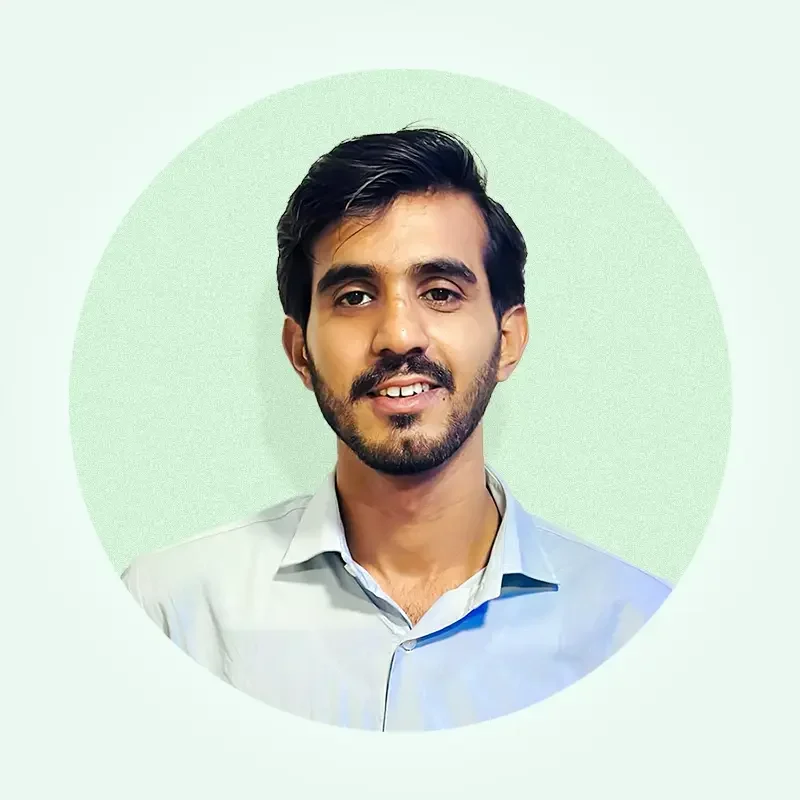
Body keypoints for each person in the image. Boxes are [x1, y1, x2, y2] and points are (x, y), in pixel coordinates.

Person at [122, 127, 671, 732]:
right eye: (355, 297)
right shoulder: (170, 612)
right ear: (300, 352)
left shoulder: (640, 632)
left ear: (508, 339)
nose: (400, 335)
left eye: (440, 292)